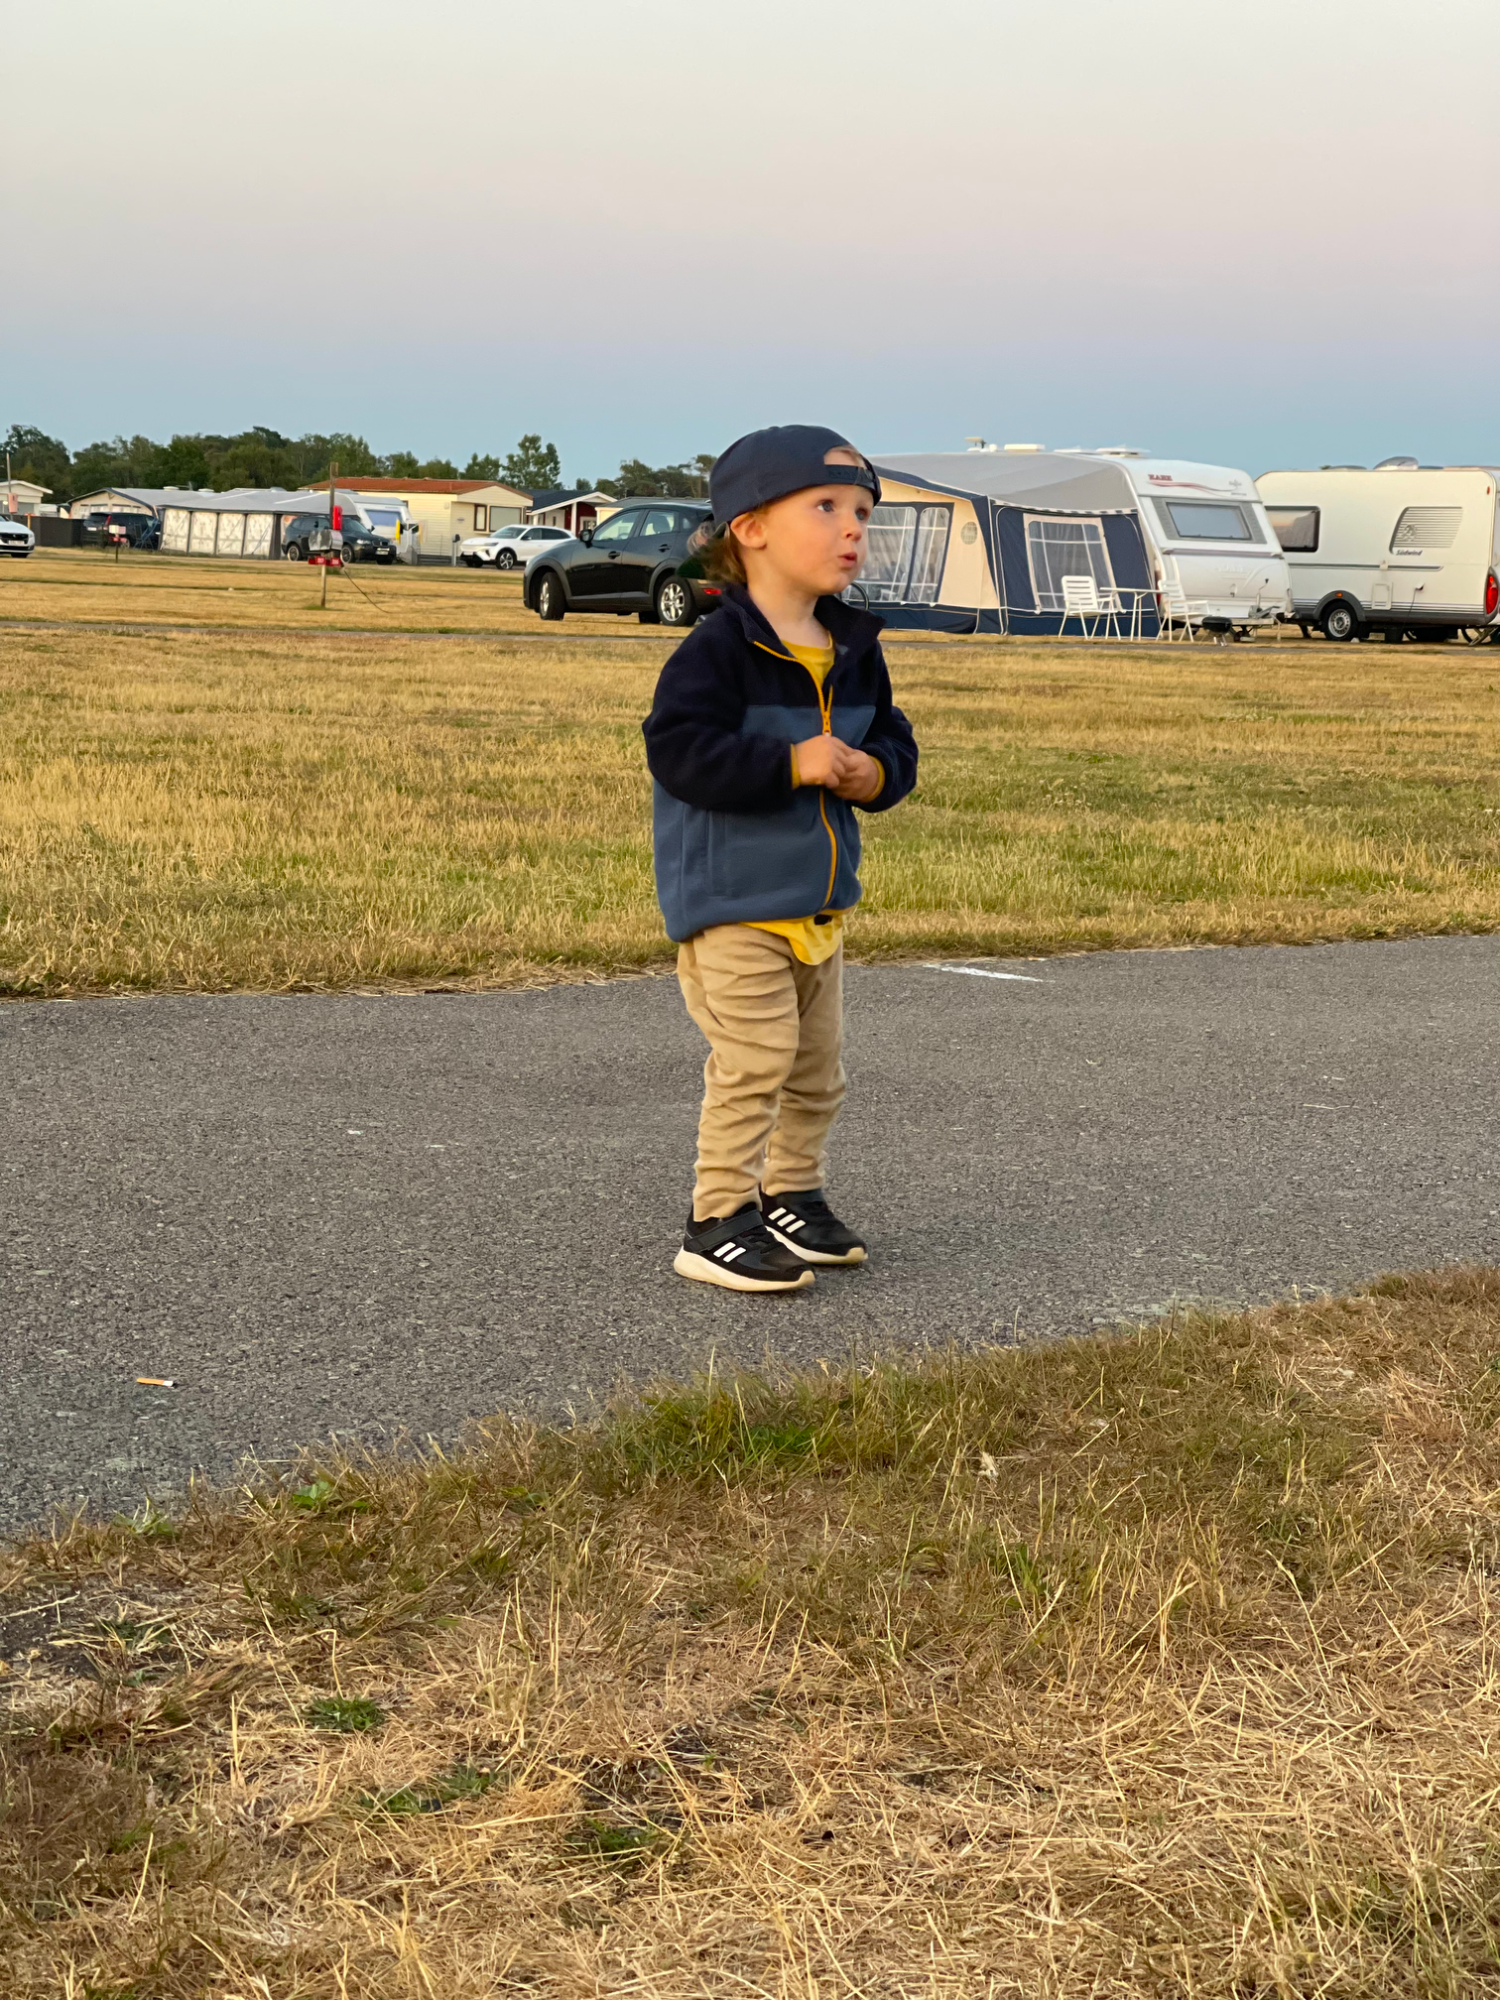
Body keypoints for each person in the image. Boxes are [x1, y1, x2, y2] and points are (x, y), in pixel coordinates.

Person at [642, 425, 919, 1292]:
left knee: (816, 1074)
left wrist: (876, 773)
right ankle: (717, 1219)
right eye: (826, 507)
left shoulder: (854, 648)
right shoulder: (718, 650)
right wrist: (789, 763)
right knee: (755, 1064)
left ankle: (791, 1194)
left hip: (817, 904)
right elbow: (678, 752)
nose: (853, 529)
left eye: (863, 512)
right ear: (751, 528)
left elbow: (895, 741)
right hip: (735, 906)